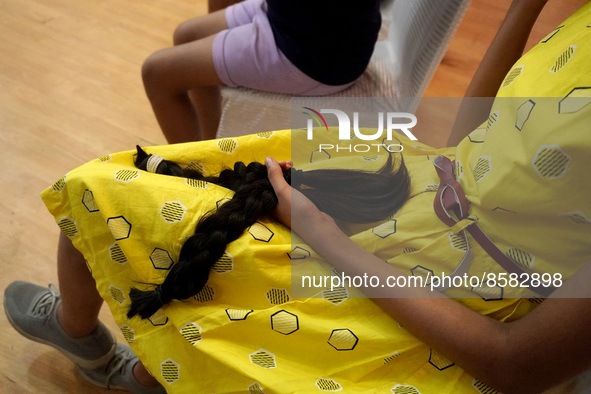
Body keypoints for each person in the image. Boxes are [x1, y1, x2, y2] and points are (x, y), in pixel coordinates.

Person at [5, 0, 591, 393]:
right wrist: (525, 8)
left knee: (106, 194)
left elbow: (517, 363)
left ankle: (90, 341)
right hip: (429, 194)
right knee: (141, 198)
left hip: (460, 278)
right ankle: (125, 360)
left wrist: (322, 234)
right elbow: (472, 144)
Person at [142, 0, 382, 143]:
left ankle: (200, 181)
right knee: (186, 35)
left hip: (317, 52)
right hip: (299, 20)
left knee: (156, 74)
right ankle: (210, 148)